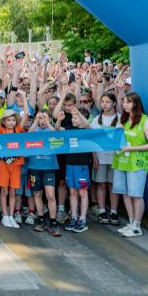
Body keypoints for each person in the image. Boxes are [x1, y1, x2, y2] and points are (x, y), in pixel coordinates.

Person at [112, 92, 148, 237]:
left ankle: (137, 226)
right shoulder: (123, 119)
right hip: (122, 161)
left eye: (128, 102)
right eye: (124, 101)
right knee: (125, 193)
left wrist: (132, 148)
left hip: (137, 163)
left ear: (135, 104)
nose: (125, 104)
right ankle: (131, 223)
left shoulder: (145, 120)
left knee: (136, 195)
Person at [55, 93, 91, 233]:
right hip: (70, 166)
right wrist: (59, 120)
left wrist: (78, 113)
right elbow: (57, 129)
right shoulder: (69, 130)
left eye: (75, 118)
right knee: (72, 192)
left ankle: (83, 219)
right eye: (73, 117)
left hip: (82, 166)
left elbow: (87, 124)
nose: (73, 119)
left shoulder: (85, 131)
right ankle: (74, 217)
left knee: (83, 192)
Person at [27, 111, 62, 236]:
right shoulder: (34, 129)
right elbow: (27, 135)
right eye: (40, 118)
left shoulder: (51, 129)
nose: (42, 120)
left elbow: (57, 137)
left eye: (45, 118)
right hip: (34, 167)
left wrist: (48, 122)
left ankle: (53, 222)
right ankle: (41, 219)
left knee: (50, 195)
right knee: (37, 193)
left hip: (49, 167)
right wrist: (36, 121)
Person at [90, 92, 120, 226]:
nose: (105, 104)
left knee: (113, 185)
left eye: (108, 102)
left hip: (116, 158)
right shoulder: (96, 120)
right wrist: (94, 156)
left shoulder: (121, 118)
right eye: (103, 102)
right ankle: (102, 211)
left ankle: (114, 211)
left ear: (114, 103)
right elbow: (92, 140)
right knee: (101, 184)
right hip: (100, 157)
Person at [0, 109, 25, 229]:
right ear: (4, 121)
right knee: (4, 191)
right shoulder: (1, 130)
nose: (11, 122)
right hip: (4, 164)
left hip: (16, 164)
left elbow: (26, 115)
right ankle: (5, 216)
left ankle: (11, 216)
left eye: (13, 120)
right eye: (8, 120)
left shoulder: (18, 129)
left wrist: (24, 99)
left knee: (13, 192)